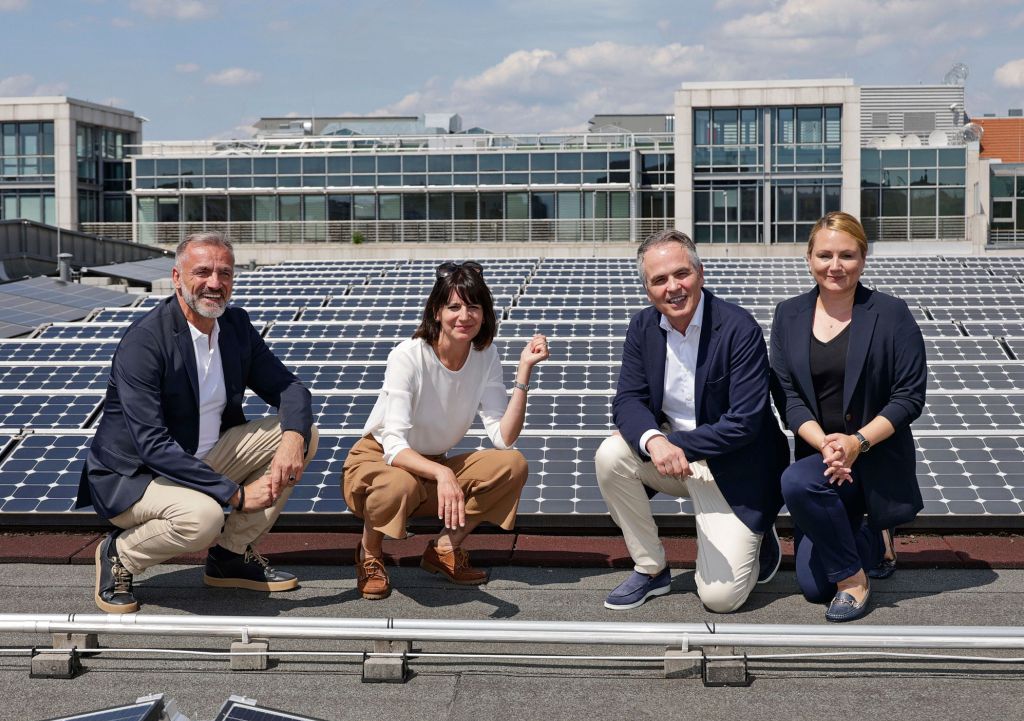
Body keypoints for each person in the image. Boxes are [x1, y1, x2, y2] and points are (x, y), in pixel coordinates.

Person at [77, 232, 318, 614]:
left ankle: (230, 556)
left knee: (303, 433)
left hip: (202, 458)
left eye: (225, 273)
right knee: (203, 518)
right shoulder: (146, 342)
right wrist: (235, 494)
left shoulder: (235, 327)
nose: (215, 283)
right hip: (137, 476)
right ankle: (119, 553)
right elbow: (152, 445)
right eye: (202, 271)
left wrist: (292, 438)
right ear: (176, 277)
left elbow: (289, 387)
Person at [595, 230, 789, 612]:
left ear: (700, 273)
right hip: (676, 463)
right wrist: (654, 441)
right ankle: (651, 569)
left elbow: (745, 422)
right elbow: (628, 400)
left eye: (681, 274)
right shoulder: (643, 328)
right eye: (659, 280)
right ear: (648, 289)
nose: (673, 287)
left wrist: (674, 444)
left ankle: (757, 530)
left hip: (736, 469)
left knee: (720, 600)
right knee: (610, 456)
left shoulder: (738, 328)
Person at [342, 260, 548, 599]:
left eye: (473, 306)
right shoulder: (409, 356)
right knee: (398, 483)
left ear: (484, 314)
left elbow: (503, 436)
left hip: (431, 468)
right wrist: (443, 474)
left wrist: (524, 371)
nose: (464, 315)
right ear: (437, 311)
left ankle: (444, 549)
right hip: (378, 463)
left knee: (513, 466)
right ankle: (369, 554)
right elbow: (393, 444)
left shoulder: (486, 355)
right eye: (454, 306)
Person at [770, 211, 926, 622]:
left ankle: (855, 579)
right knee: (812, 586)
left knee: (795, 486)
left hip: (872, 460)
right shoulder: (788, 314)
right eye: (824, 255)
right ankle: (863, 545)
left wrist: (856, 442)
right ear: (808, 259)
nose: (835, 266)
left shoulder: (891, 314)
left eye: (847, 255)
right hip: (823, 463)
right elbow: (787, 396)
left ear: (863, 258)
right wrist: (827, 444)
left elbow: (909, 397)